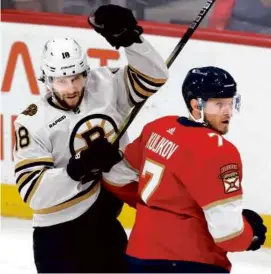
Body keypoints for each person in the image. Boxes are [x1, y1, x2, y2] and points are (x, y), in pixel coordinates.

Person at [13, 4, 168, 273]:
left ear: (86, 72)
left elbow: (155, 77)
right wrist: (78, 168)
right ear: (46, 80)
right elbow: (34, 194)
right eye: (62, 81)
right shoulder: (31, 122)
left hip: (104, 223)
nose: (72, 88)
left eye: (76, 77)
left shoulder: (104, 84)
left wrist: (132, 40)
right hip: (58, 238)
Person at [102, 66, 267, 273]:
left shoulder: (158, 129)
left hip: (139, 256)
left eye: (230, 102)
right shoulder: (219, 150)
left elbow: (115, 178)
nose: (227, 111)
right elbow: (229, 235)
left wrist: (157, 209)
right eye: (218, 104)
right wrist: (250, 234)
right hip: (193, 263)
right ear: (196, 105)